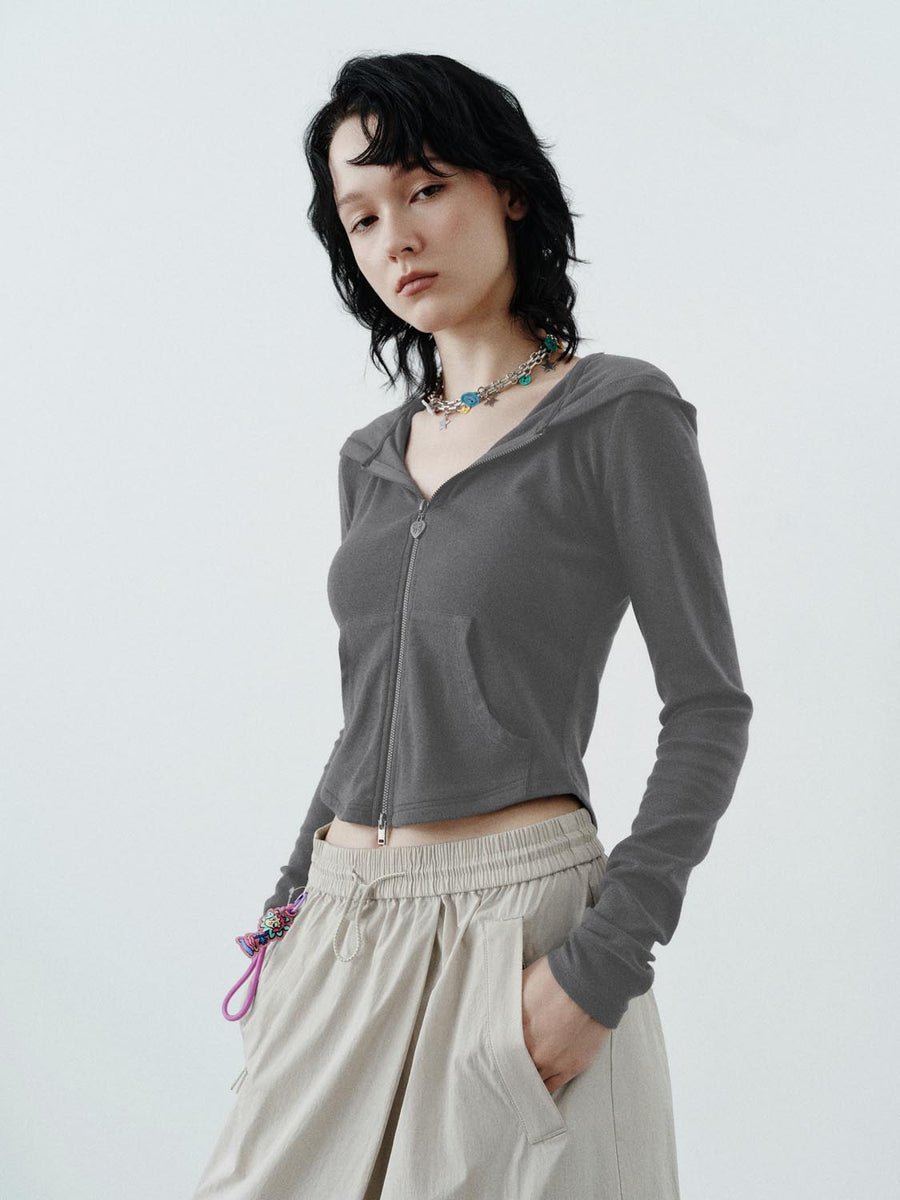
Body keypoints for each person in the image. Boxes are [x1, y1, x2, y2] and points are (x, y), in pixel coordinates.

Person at [192, 51, 753, 1200]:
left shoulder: (619, 413)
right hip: (339, 930)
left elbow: (708, 709)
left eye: (425, 187)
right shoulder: (368, 460)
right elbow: (370, 721)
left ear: (509, 190)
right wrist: (285, 918)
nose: (396, 235)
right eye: (362, 216)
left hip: (521, 936)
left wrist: (604, 965)